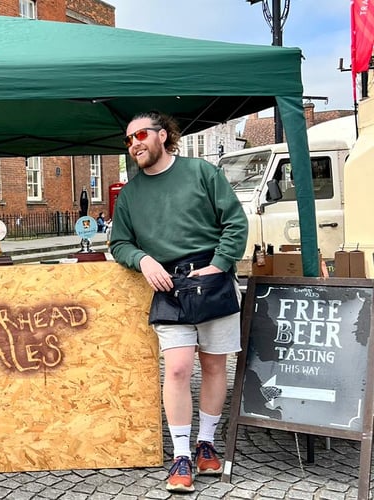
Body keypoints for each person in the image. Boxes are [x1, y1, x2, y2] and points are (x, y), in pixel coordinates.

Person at [109, 111, 248, 493]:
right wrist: (143, 259)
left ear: (163, 135)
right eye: (128, 139)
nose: (134, 143)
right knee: (177, 369)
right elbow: (119, 242)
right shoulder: (130, 194)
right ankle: (182, 455)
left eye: (140, 134)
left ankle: (206, 444)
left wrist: (220, 264)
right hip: (168, 284)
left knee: (216, 365)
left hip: (212, 279)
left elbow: (234, 221)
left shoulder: (201, 173)